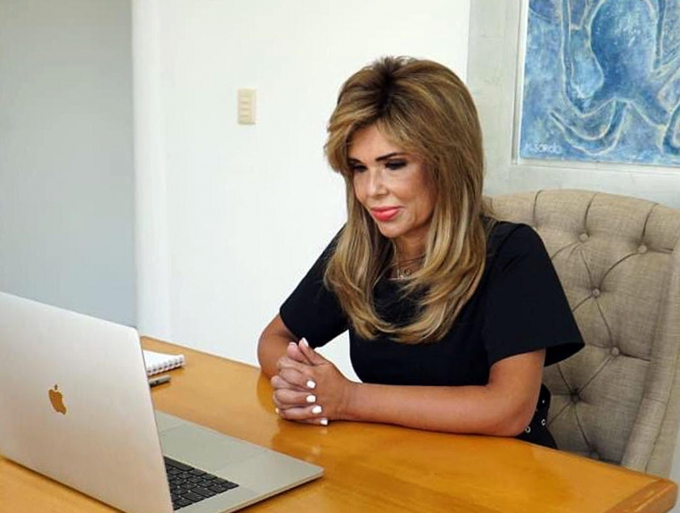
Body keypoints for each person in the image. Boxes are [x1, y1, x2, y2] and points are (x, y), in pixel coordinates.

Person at [257, 56, 584, 447]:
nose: (371, 190)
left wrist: (348, 399)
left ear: (447, 163)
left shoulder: (513, 252)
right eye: (359, 168)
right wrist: (305, 383)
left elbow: (509, 409)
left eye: (394, 164)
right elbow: (274, 338)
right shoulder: (361, 249)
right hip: (395, 458)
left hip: (500, 468)